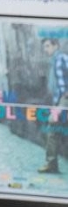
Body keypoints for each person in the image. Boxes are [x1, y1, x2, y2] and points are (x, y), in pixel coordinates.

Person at [39, 38, 68, 174]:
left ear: (56, 45)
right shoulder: (54, 61)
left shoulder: (62, 58)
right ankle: (52, 164)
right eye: (44, 47)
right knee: (54, 129)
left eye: (48, 46)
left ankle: (51, 163)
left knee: (52, 125)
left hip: (65, 99)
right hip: (59, 100)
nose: (46, 49)